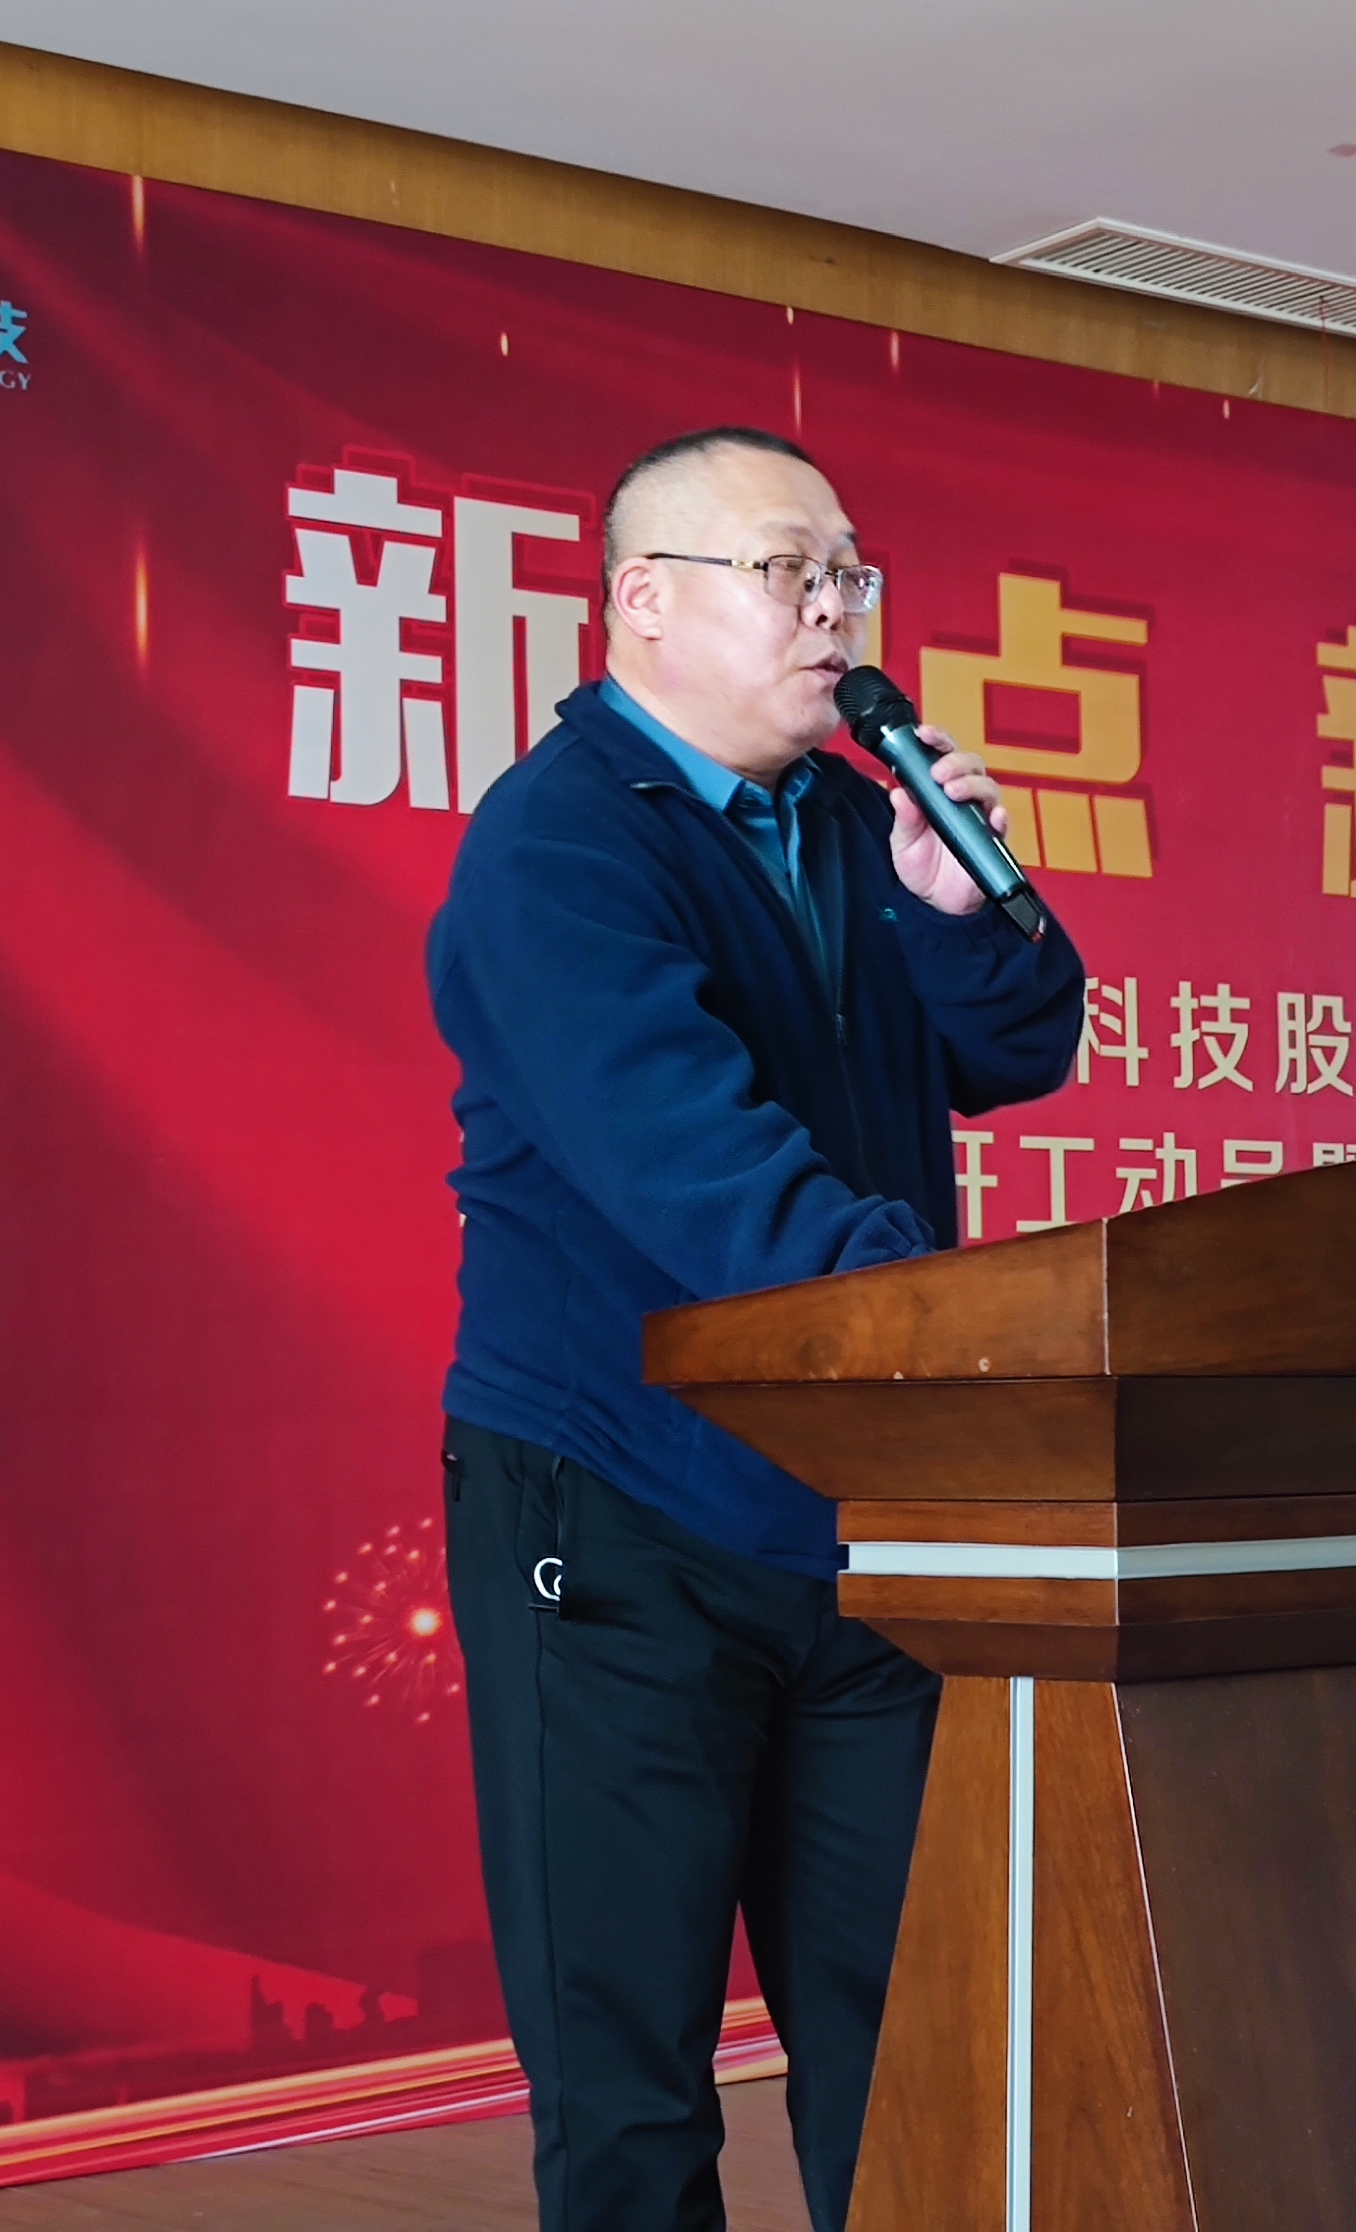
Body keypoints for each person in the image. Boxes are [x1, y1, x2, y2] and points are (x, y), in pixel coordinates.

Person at [426, 426, 1087, 2232]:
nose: (832, 610)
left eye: (848, 574)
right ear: (643, 602)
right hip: (618, 1511)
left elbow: (1025, 1047)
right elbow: (693, 1166)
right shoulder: (558, 846)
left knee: (909, 2034)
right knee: (630, 2072)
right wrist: (952, 1312)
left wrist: (956, 910)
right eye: (789, 570)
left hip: (858, 1516)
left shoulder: (858, 823)